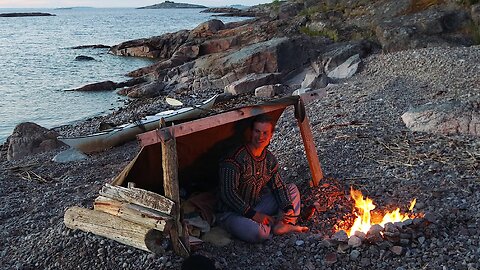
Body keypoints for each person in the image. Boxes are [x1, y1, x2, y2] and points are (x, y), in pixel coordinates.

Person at [216, 114, 308, 243]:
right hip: (231, 213)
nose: (260, 137)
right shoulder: (234, 158)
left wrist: (288, 209)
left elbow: (278, 187)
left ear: (271, 135)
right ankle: (271, 224)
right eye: (257, 131)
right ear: (251, 132)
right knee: (260, 233)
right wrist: (254, 215)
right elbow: (228, 193)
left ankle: (284, 224)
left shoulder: (270, 159)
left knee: (291, 189)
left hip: (256, 206)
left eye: (265, 133)